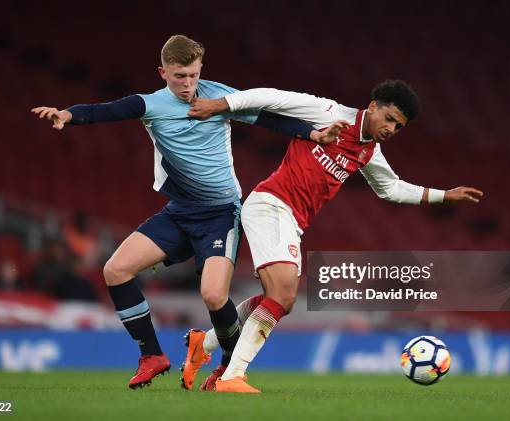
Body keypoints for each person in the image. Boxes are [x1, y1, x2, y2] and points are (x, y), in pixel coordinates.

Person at [32, 35, 343, 389]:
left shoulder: (219, 97)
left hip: (221, 214)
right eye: (180, 76)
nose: (188, 84)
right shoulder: (150, 104)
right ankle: (152, 355)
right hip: (180, 212)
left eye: (193, 75)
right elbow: (104, 110)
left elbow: (268, 119)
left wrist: (313, 134)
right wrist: (67, 115)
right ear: (163, 72)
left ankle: (227, 370)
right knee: (115, 270)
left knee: (213, 295)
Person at [184, 80, 484, 393]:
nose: (392, 128)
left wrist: (444, 195)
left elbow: (391, 187)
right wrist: (222, 104)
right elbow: (273, 98)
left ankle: (203, 343)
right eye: (390, 118)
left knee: (278, 299)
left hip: (292, 221)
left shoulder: (368, 152)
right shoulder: (327, 112)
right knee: (284, 295)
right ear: (373, 107)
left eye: (399, 126)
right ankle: (232, 377)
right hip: (271, 203)